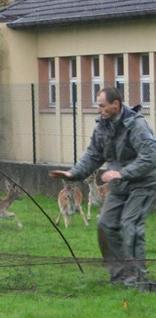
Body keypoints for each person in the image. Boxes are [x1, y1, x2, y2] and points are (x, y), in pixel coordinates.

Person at [49, 87, 156, 292]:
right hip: (120, 184)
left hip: (144, 184)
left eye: (102, 105)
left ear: (116, 105)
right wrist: (73, 174)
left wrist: (122, 173)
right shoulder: (102, 127)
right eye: (98, 105)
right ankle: (119, 275)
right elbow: (93, 155)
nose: (99, 109)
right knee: (105, 224)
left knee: (129, 224)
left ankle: (138, 279)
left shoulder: (136, 125)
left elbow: (151, 157)